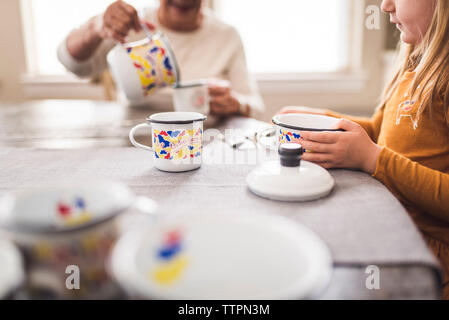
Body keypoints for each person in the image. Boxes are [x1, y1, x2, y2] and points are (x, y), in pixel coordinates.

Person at [277, 0, 449, 299]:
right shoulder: (413, 63)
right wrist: (325, 121)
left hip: (430, 264)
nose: (385, 6)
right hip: (392, 225)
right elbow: (382, 132)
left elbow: (378, 151)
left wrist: (372, 158)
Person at [57, 0, 264, 118]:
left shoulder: (226, 35)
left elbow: (255, 106)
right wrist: (96, 27)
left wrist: (235, 104)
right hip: (134, 142)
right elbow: (71, 63)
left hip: (202, 144)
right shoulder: (132, 24)